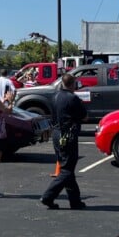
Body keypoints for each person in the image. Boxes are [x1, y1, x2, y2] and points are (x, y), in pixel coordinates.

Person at [41, 73, 87, 209]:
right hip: (68, 134)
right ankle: (48, 196)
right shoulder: (73, 98)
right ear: (73, 84)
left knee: (67, 167)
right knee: (67, 169)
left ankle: (75, 201)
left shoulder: (54, 96)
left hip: (56, 133)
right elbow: (84, 117)